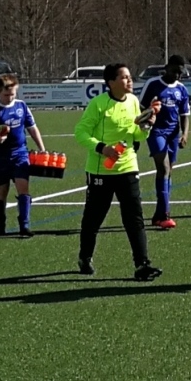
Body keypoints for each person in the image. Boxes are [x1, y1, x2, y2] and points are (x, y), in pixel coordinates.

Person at [74, 63, 163, 281]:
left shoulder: (133, 101)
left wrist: (146, 126)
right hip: (101, 171)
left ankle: (142, 264)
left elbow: (136, 135)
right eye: (124, 77)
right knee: (94, 219)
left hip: (128, 167)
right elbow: (80, 132)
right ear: (111, 82)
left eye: (130, 76)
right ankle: (85, 257)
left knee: (134, 218)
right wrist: (102, 148)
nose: (129, 80)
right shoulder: (98, 104)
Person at [0, 74, 46, 237]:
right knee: (2, 189)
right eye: (6, 95)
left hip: (20, 153)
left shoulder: (21, 106)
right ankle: (0, 224)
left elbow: (32, 128)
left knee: (23, 187)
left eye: (12, 94)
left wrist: (42, 148)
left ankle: (24, 225)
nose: (10, 97)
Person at [139, 54, 191, 230]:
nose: (178, 75)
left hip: (173, 134)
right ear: (167, 68)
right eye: (175, 71)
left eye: (181, 72)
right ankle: (165, 215)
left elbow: (184, 114)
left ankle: (158, 214)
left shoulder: (181, 89)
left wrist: (184, 134)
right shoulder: (153, 84)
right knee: (163, 168)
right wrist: (147, 117)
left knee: (168, 172)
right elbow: (140, 107)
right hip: (156, 132)